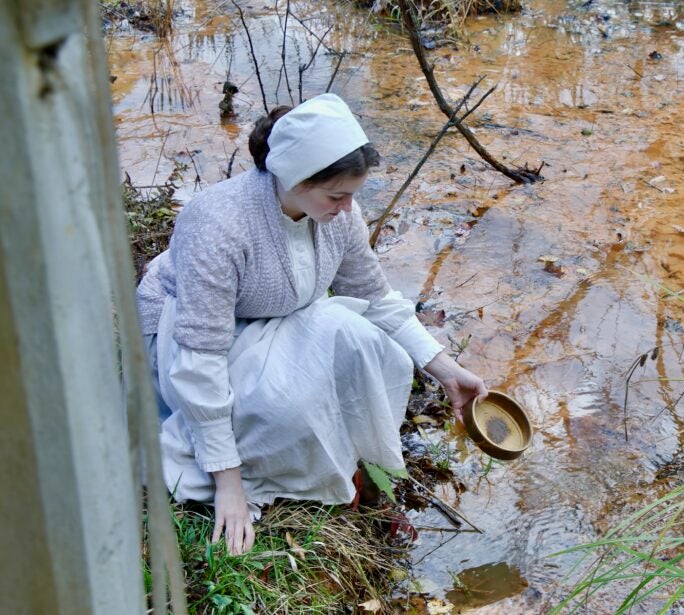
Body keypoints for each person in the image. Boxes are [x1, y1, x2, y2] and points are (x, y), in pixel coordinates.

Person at [135, 94, 487, 555]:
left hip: (279, 315)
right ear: (294, 178)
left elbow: (375, 298)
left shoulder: (338, 214)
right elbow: (201, 361)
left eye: (352, 195)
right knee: (288, 405)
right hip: (194, 337)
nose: (347, 208)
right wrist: (229, 483)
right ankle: (261, 465)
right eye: (336, 196)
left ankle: (350, 468)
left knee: (373, 348)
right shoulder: (219, 224)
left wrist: (446, 371)